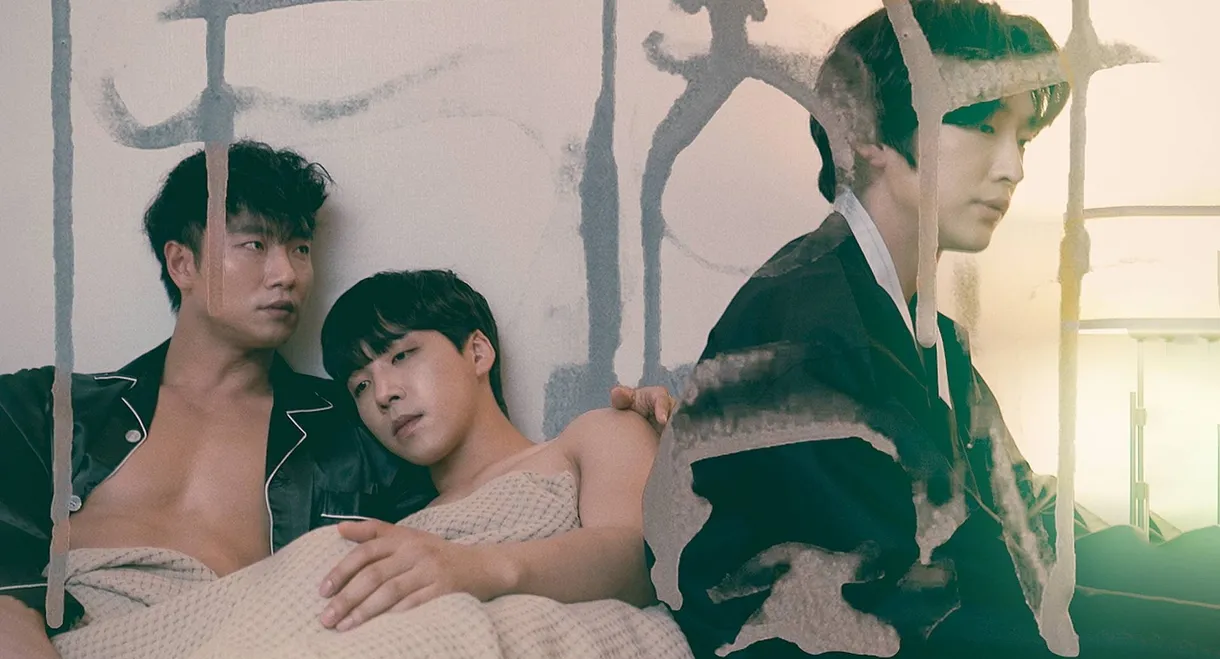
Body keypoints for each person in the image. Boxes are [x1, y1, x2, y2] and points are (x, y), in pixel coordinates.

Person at [628, 2, 1220, 658]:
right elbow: (923, 604)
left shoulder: (925, 333)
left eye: (1022, 138)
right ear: (869, 133)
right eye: (982, 124)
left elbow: (1027, 525)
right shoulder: (803, 329)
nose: (1013, 167)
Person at [0, 140, 671, 658]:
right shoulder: (46, 409)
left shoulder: (352, 434)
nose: (288, 273)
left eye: (300, 247)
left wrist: (673, 442)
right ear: (183, 263)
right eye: (255, 244)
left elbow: (489, 511)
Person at [313, 269, 661, 630]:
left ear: (477, 353)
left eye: (402, 356)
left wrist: (477, 568)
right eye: (361, 386)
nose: (383, 394)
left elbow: (641, 564)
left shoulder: (593, 436)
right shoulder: (402, 530)